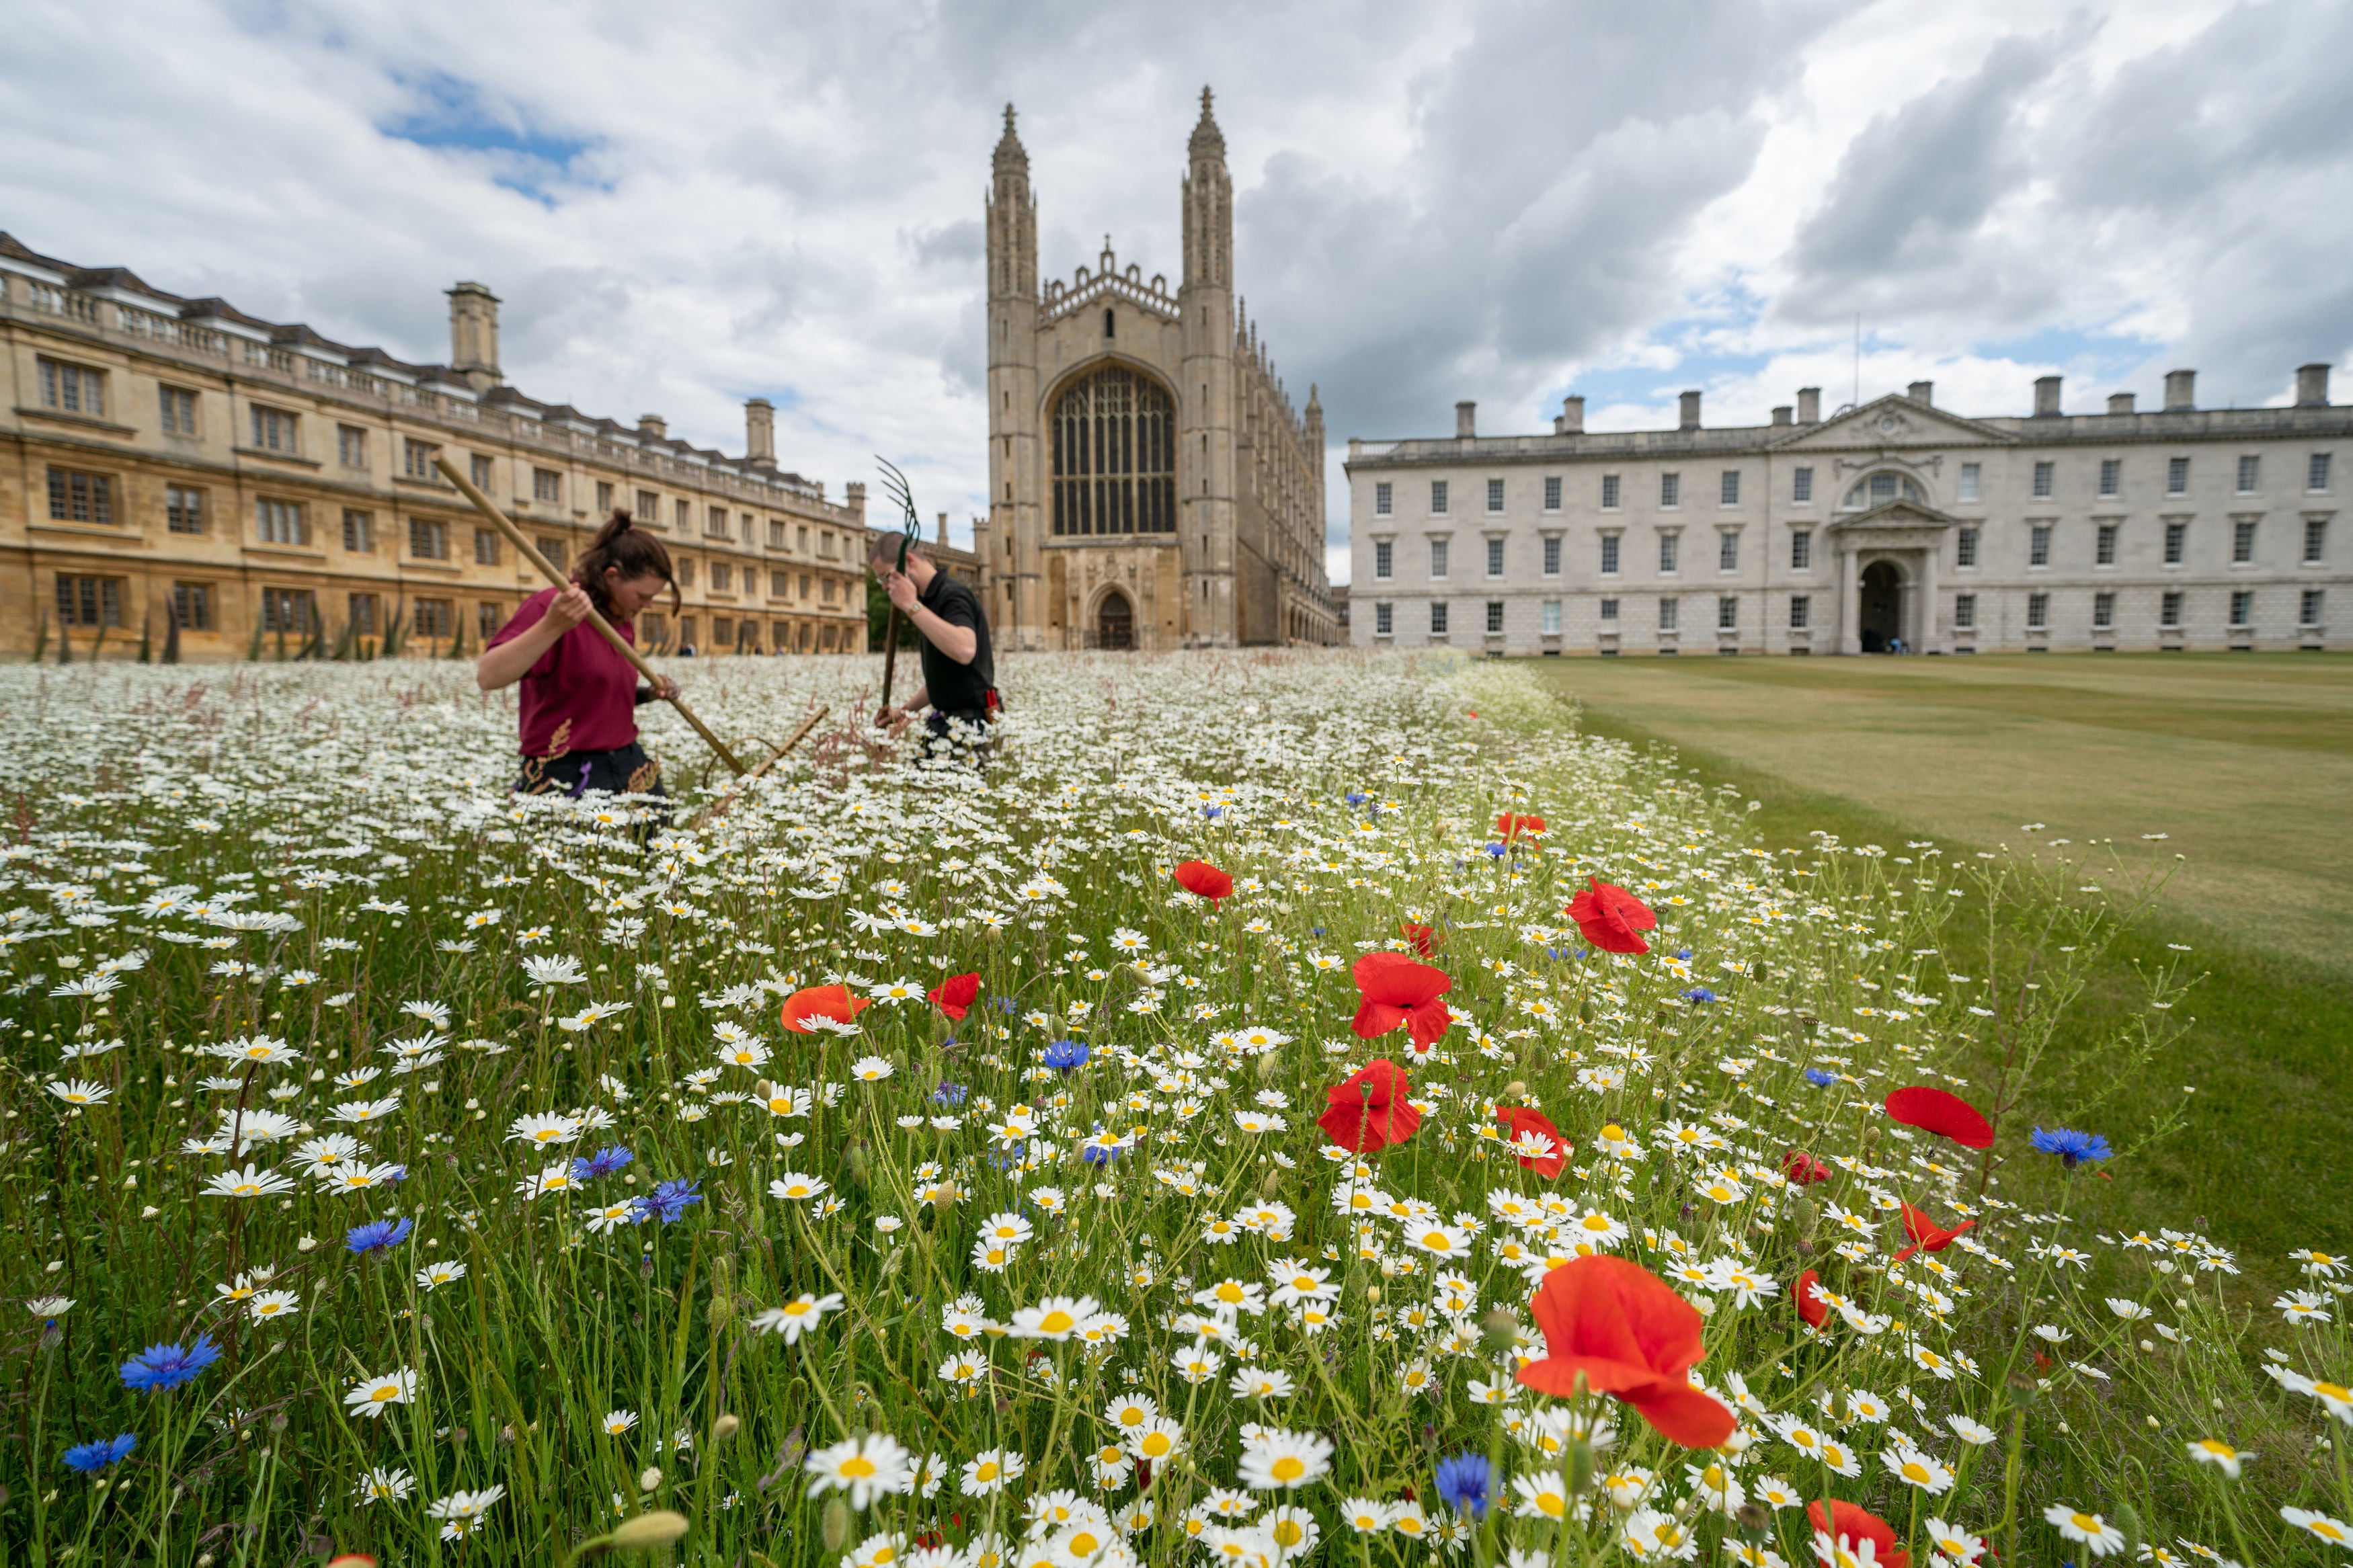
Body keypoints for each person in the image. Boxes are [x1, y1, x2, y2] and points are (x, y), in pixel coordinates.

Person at [477, 511, 681, 798]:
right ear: (612, 577)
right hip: (567, 771)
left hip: (627, 760)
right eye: (642, 595)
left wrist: (648, 693)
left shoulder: (620, 619)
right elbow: (488, 676)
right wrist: (552, 625)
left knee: (659, 841)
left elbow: (591, 692)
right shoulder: (553, 606)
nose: (648, 605)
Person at [869, 531, 998, 757]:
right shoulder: (929, 602)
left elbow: (965, 650)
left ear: (908, 561)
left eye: (886, 577)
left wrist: (911, 606)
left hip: (971, 728)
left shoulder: (952, 595)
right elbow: (943, 681)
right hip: (945, 722)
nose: (884, 587)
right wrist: (901, 714)